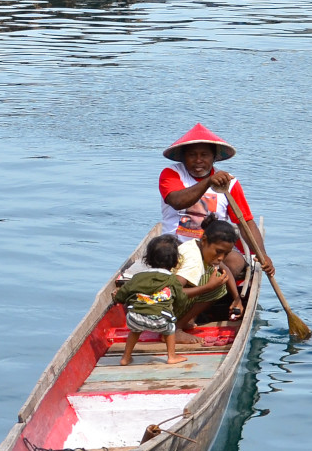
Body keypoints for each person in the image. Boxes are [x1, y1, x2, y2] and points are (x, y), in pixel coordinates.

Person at [158, 123, 272, 278]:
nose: (198, 160)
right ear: (184, 157)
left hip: (214, 249)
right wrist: (208, 182)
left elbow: (245, 223)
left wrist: (262, 254)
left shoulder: (229, 183)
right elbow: (178, 201)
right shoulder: (171, 173)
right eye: (192, 155)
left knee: (236, 263)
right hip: (177, 246)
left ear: (214, 157)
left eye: (204, 155)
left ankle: (214, 291)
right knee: (165, 257)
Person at [115, 242, 232, 366]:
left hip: (135, 318)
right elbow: (181, 298)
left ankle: (125, 358)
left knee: (134, 331)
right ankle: (171, 356)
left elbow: (122, 295)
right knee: (170, 328)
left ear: (147, 260)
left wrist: (118, 298)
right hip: (160, 321)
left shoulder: (137, 277)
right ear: (176, 263)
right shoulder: (172, 280)